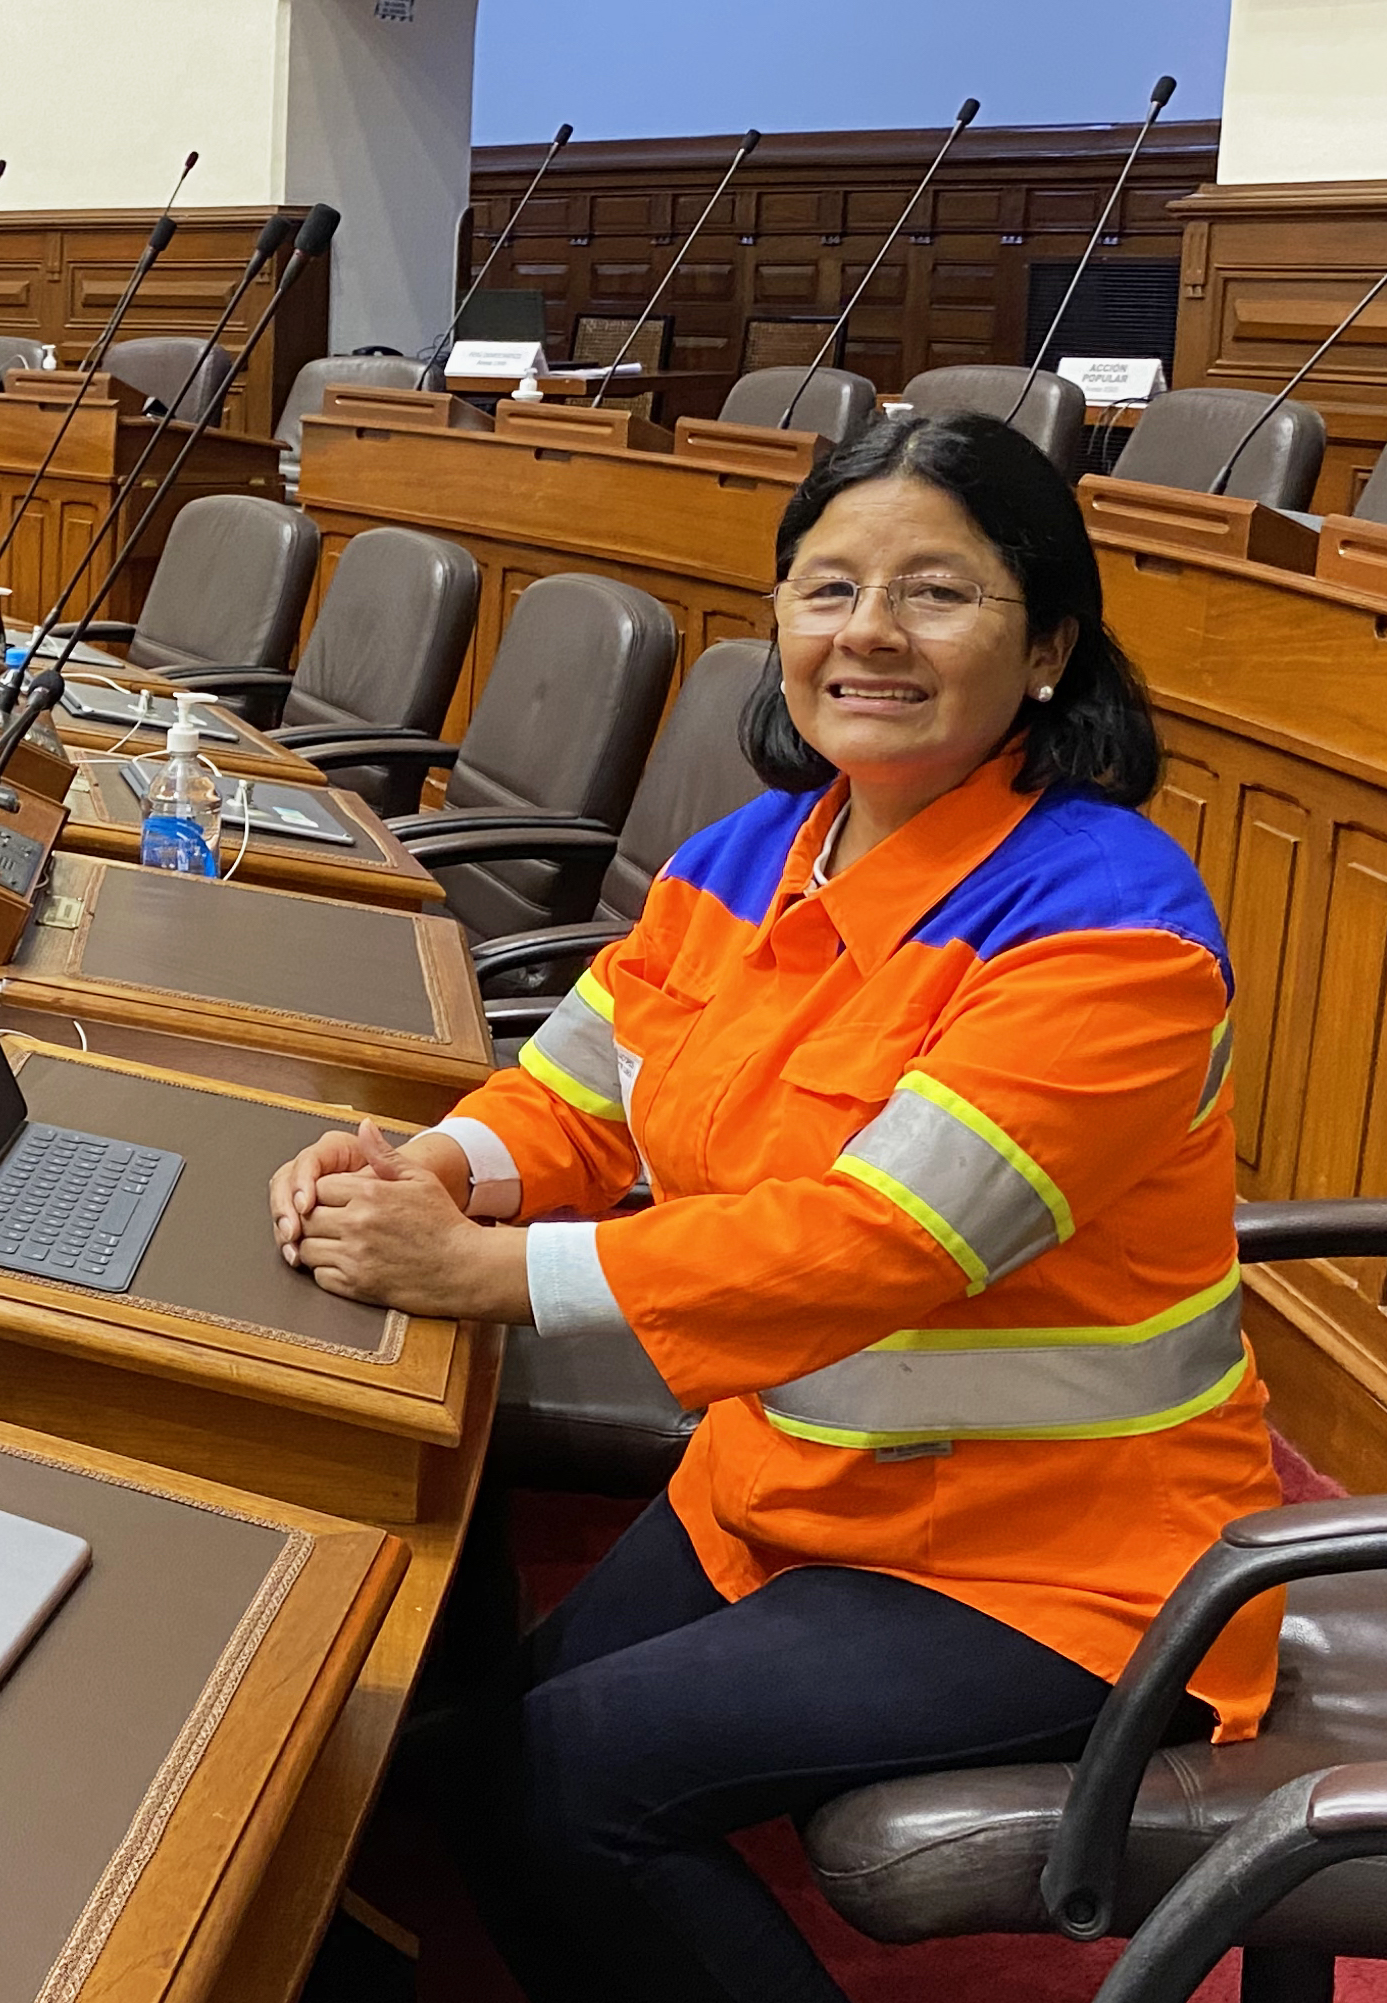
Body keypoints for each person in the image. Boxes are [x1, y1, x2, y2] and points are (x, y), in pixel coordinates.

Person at [268, 409, 1284, 2001]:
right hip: (785, 1478)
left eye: (935, 592)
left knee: (567, 1782)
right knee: (466, 1748)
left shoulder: (1108, 929)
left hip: (1054, 1561)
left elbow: (875, 1240)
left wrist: (488, 1270)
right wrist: (438, 1168)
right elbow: (579, 1090)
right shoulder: (751, 854)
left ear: (1047, 651)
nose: (867, 631)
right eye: (828, 587)